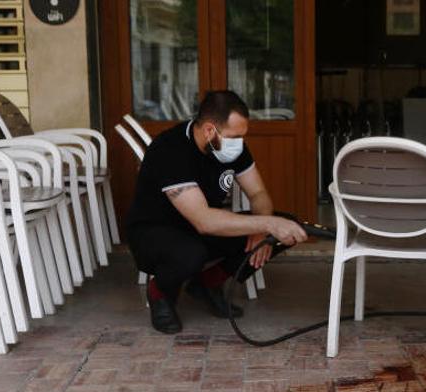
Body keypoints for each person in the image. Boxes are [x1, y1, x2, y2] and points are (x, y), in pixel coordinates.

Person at [126, 90, 308, 334]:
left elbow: (258, 194)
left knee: (286, 226)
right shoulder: (170, 149)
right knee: (191, 253)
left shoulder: (230, 147)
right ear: (210, 130)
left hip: (201, 228)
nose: (240, 143)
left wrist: (265, 230)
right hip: (154, 232)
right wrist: (266, 225)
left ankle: (206, 283)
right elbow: (204, 221)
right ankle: (160, 291)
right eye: (235, 136)